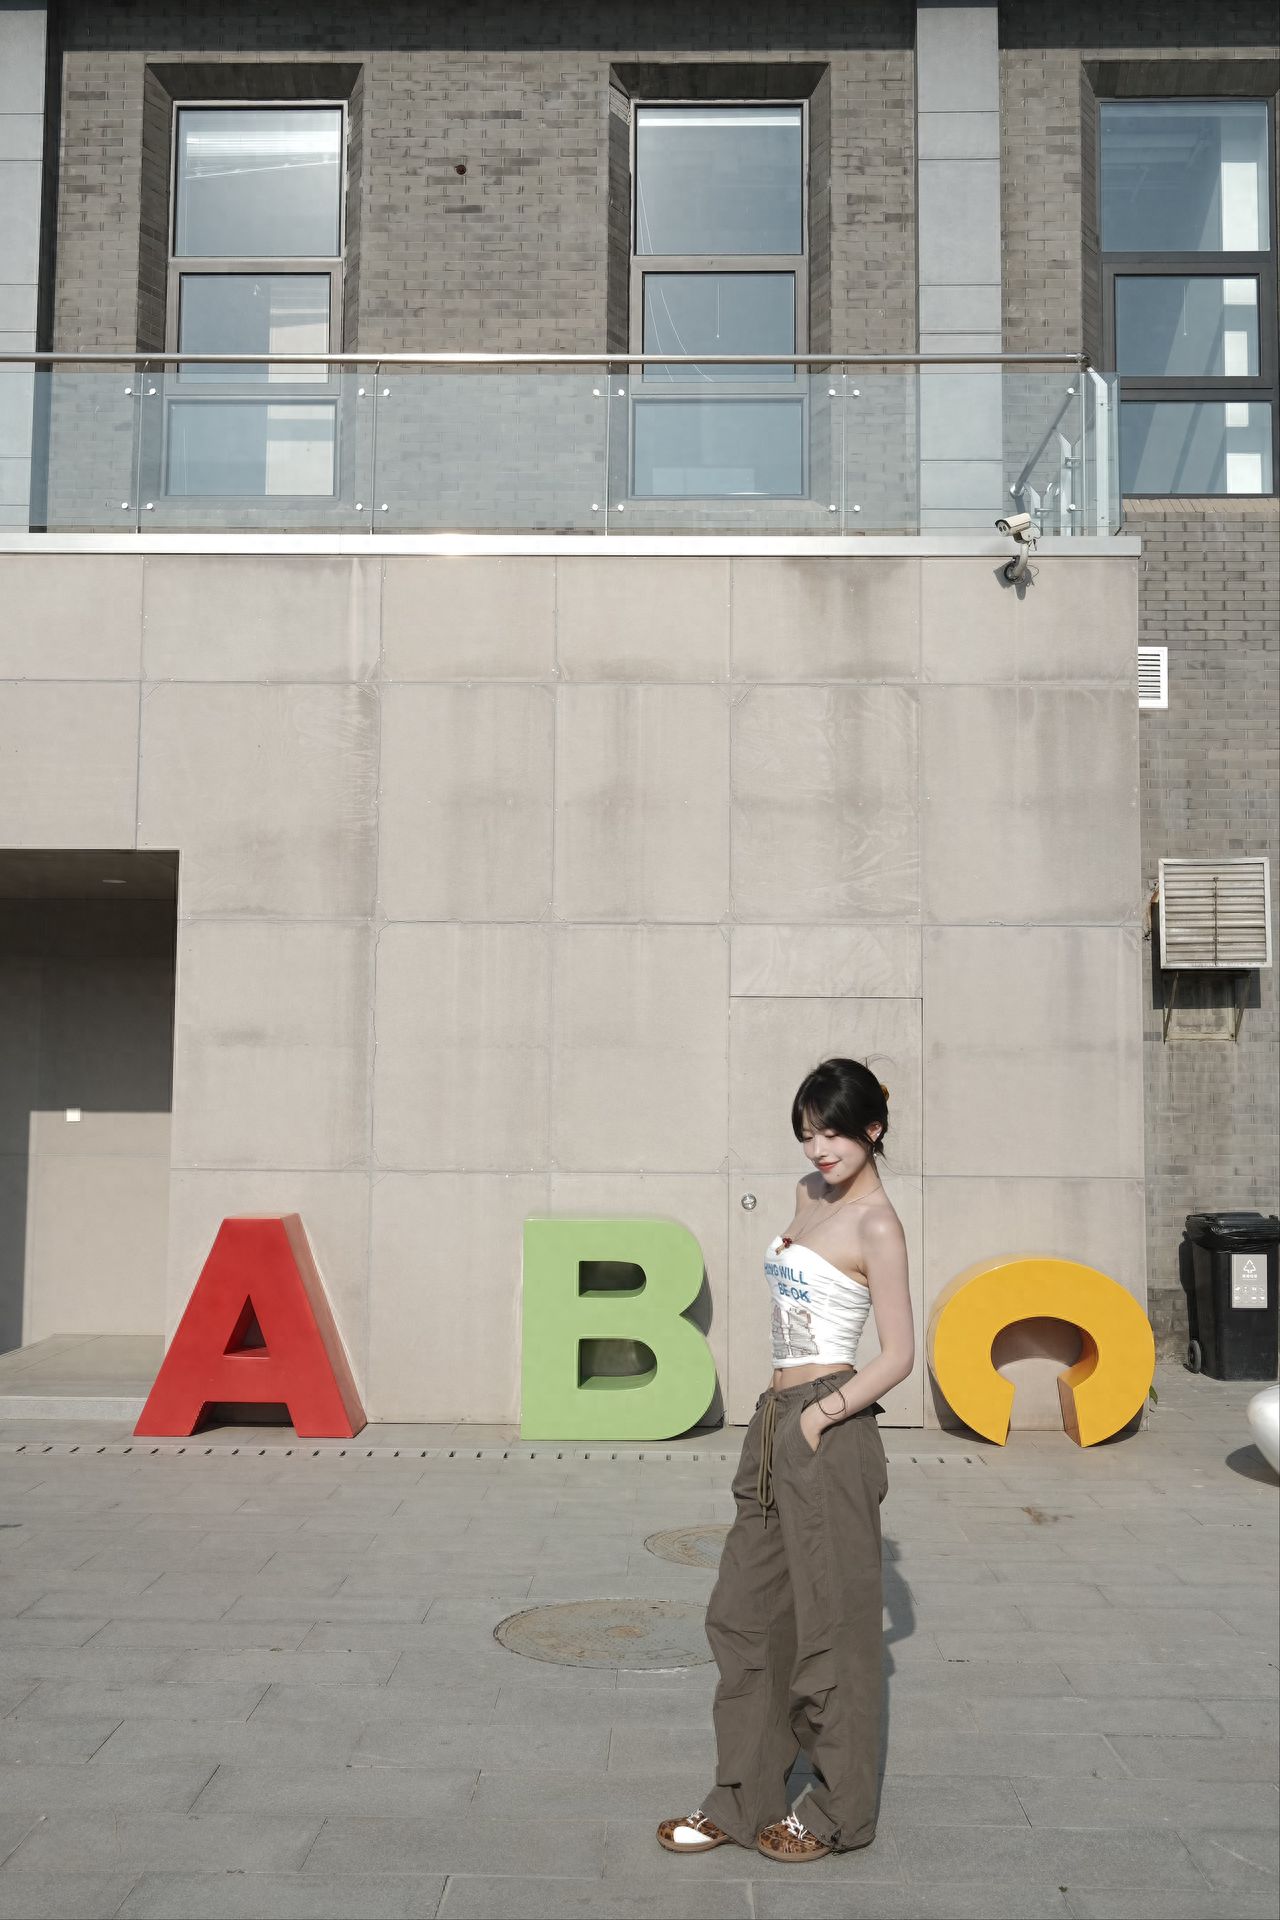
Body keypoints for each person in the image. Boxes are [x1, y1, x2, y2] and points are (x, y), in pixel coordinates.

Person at [657, 1056, 915, 1864]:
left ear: (873, 1127)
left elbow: (902, 1353)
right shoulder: (808, 1197)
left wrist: (822, 1418)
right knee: (743, 1615)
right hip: (773, 1424)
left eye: (833, 1130)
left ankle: (838, 1814)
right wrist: (784, 1422)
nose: (819, 1148)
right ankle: (741, 1802)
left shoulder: (879, 1223)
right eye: (808, 1132)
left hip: (829, 1428)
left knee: (833, 1630)